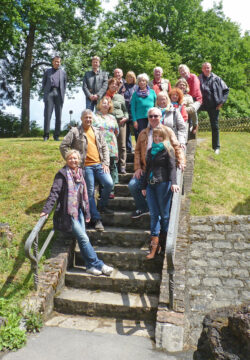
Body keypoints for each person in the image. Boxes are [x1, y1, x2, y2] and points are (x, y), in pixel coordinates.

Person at [40, 149, 113, 276]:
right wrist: (46, 210)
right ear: (66, 160)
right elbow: (54, 193)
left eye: (75, 158)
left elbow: (85, 195)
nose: (73, 160)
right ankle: (99, 264)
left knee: (82, 238)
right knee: (84, 238)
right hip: (67, 213)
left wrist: (87, 212)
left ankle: (89, 266)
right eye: (70, 158)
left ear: (79, 160)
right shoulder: (62, 174)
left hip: (79, 211)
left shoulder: (81, 172)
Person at [60, 109, 113, 232]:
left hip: (99, 165)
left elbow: (104, 147)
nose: (88, 120)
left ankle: (102, 206)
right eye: (86, 117)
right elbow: (63, 145)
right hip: (86, 167)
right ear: (81, 118)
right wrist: (72, 160)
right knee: (89, 192)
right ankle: (96, 218)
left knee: (109, 183)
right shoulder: (75, 131)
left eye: (90, 117)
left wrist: (105, 163)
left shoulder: (97, 131)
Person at [128, 107, 185, 219]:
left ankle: (160, 217)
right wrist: (137, 168)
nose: (153, 118)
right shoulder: (143, 133)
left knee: (161, 197)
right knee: (133, 185)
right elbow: (138, 151)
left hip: (162, 170)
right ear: (148, 118)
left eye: (156, 116)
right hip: (146, 169)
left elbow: (176, 147)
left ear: (160, 117)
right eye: (151, 116)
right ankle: (143, 207)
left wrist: (181, 161)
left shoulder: (167, 131)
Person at [142, 127, 180, 259]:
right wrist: (143, 186)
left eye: (160, 137)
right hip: (151, 185)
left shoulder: (168, 149)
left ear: (164, 138)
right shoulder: (150, 150)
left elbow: (172, 167)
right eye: (155, 136)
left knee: (164, 215)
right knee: (154, 214)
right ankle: (154, 246)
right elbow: (147, 169)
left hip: (163, 184)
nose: (157, 139)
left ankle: (163, 244)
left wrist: (174, 182)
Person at [199, 62, 229, 154]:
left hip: (214, 105)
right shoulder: (198, 78)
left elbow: (226, 90)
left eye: (208, 67)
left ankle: (216, 147)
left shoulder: (217, 78)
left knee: (214, 126)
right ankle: (188, 142)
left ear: (211, 68)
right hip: (201, 104)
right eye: (205, 68)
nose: (207, 69)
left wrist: (221, 102)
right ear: (202, 69)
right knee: (192, 120)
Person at [93, 96, 119, 199]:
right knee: (101, 168)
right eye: (103, 103)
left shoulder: (112, 117)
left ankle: (111, 190)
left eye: (107, 103)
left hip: (112, 146)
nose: (105, 105)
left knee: (111, 167)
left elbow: (117, 131)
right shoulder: (94, 116)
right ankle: (102, 190)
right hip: (99, 146)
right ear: (100, 104)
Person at [106, 78, 129, 174]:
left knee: (122, 145)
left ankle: (122, 166)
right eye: (112, 84)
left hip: (120, 121)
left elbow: (125, 110)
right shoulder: (105, 97)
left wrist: (126, 117)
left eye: (116, 84)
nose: (114, 86)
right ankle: (112, 165)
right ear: (109, 85)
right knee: (110, 145)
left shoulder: (120, 97)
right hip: (109, 123)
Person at [42, 56, 67, 141]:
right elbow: (43, 83)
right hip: (49, 93)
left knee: (58, 116)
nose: (57, 63)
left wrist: (62, 95)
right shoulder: (47, 71)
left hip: (59, 94)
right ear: (52, 62)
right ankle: (46, 135)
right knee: (47, 115)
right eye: (56, 61)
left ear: (60, 62)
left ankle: (56, 136)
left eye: (59, 62)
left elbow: (64, 85)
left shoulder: (63, 73)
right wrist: (46, 93)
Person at [178, 64, 202, 134]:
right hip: (185, 99)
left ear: (187, 70)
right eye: (181, 71)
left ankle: (195, 125)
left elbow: (194, 91)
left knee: (192, 108)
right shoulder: (181, 80)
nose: (182, 72)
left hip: (196, 99)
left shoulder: (193, 77)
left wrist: (186, 101)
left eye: (183, 70)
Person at [130, 73, 157, 138]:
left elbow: (156, 105)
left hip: (152, 117)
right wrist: (134, 120)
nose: (142, 82)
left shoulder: (152, 92)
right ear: (138, 83)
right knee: (141, 137)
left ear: (146, 82)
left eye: (143, 81)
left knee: (152, 136)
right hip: (140, 119)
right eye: (140, 81)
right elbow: (132, 108)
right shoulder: (135, 94)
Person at [124, 71, 137, 153]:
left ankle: (137, 147)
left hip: (134, 110)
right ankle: (128, 148)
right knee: (127, 131)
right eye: (128, 76)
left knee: (136, 130)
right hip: (125, 110)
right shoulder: (123, 87)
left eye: (131, 77)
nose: (130, 78)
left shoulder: (137, 87)